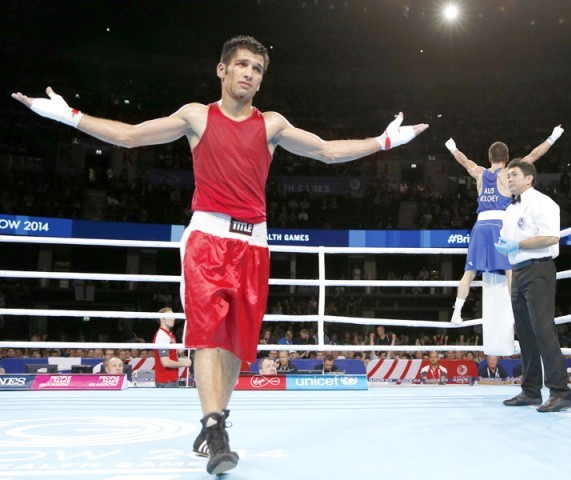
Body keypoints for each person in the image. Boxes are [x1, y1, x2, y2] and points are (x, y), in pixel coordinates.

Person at [12, 35, 427, 476]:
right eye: (242, 65)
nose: (249, 73)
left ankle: (216, 421)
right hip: (208, 237)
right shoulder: (196, 116)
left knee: (235, 345)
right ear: (222, 70)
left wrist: (381, 143)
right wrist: (69, 116)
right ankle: (215, 429)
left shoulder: (271, 124)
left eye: (257, 69)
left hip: (255, 243)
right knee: (208, 334)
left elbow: (326, 150)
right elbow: (131, 136)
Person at [445, 126, 564, 324]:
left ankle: (456, 313)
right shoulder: (509, 174)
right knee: (510, 271)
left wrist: (452, 148)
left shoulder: (479, 173)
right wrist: (553, 137)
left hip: (480, 225)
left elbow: (464, 161)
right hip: (501, 224)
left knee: (469, 272)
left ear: (489, 156)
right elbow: (534, 155)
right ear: (507, 157)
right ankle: (516, 315)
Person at [495, 159, 571, 412]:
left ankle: (561, 392)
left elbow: (551, 236)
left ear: (529, 178)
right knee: (526, 334)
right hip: (518, 272)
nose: (509, 179)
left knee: (542, 330)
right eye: (508, 175)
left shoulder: (543, 202)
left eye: (514, 174)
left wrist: (519, 245)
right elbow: (508, 241)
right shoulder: (510, 209)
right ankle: (530, 391)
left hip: (539, 269)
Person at [153, 307, 192, 388]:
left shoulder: (169, 335)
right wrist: (183, 363)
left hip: (170, 379)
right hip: (166, 380)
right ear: (162, 319)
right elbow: (165, 362)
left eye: (173, 316)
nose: (173, 319)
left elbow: (176, 352)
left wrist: (188, 343)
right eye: (170, 316)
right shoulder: (162, 336)